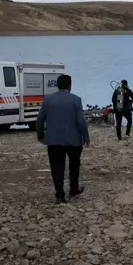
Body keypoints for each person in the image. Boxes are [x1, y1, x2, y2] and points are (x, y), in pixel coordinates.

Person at [36, 74, 90, 204]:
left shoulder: (48, 99)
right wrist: (86, 136)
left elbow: (40, 119)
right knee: (74, 165)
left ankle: (60, 195)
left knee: (56, 167)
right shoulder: (75, 100)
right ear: (69, 85)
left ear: (57, 85)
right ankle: (73, 189)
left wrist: (40, 135)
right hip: (73, 139)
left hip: (53, 139)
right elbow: (81, 121)